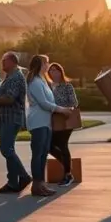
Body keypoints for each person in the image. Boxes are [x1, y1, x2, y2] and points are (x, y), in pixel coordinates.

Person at [25, 54, 75, 197]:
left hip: (46, 123)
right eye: (46, 63)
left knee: (43, 153)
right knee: (38, 154)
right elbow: (44, 103)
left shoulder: (42, 80)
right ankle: (36, 185)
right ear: (41, 64)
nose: (48, 65)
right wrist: (62, 110)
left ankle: (41, 184)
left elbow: (49, 102)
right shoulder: (34, 81)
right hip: (38, 122)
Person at [0, 51, 32, 194]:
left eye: (4, 61)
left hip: (11, 118)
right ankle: (12, 182)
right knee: (9, 149)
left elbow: (10, 99)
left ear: (12, 62)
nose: (2, 63)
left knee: (6, 150)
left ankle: (23, 176)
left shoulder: (16, 77)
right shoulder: (10, 76)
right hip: (6, 118)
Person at [48, 62, 79, 187]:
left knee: (62, 144)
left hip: (65, 119)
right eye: (51, 70)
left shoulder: (67, 86)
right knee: (49, 146)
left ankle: (67, 174)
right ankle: (67, 167)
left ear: (61, 72)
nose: (53, 72)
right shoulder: (48, 86)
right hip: (53, 120)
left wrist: (63, 109)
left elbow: (74, 103)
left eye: (56, 70)